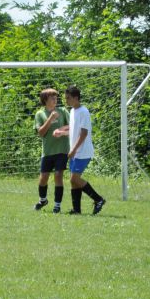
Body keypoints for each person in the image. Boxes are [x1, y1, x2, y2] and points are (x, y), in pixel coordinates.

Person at [53, 85, 106, 215]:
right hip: (75, 152)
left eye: (68, 98)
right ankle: (76, 210)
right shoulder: (72, 111)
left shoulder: (84, 112)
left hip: (82, 152)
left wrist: (73, 149)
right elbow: (74, 130)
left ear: (76, 98)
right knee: (73, 180)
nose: (66, 101)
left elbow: (83, 133)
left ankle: (99, 199)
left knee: (74, 179)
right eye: (65, 98)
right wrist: (61, 132)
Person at [34, 88, 70, 213]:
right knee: (44, 177)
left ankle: (57, 205)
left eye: (56, 97)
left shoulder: (63, 111)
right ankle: (43, 200)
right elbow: (41, 133)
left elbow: (72, 126)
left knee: (58, 176)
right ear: (45, 100)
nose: (55, 99)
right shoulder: (40, 114)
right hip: (48, 151)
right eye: (52, 98)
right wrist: (50, 119)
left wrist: (61, 132)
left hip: (62, 150)